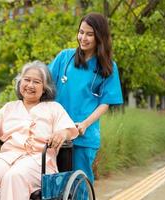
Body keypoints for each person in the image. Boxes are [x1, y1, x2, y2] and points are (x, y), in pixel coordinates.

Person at [0, 61, 78, 200]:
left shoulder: (54, 108)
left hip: (38, 162)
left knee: (14, 177)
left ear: (45, 88)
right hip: (7, 158)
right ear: (19, 83)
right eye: (27, 80)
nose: (30, 85)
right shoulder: (10, 107)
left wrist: (62, 133)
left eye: (36, 82)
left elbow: (70, 131)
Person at [49, 12, 123, 185]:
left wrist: (84, 124)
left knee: (78, 184)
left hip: (84, 135)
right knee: (53, 184)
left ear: (100, 37)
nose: (83, 37)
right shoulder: (64, 58)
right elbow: (44, 83)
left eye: (89, 34)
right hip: (56, 132)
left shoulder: (108, 67)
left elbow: (105, 103)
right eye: (81, 32)